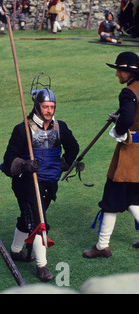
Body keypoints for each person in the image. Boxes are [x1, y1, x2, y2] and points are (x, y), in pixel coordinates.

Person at [0, 75, 80, 282]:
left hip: (49, 182)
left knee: (29, 218)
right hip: (26, 182)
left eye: (52, 106)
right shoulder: (22, 129)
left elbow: (73, 147)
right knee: (38, 222)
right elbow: (8, 159)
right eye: (45, 106)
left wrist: (64, 164)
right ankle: (41, 266)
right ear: (37, 106)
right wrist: (25, 165)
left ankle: (16, 250)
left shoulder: (60, 127)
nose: (49, 110)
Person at [83, 51, 139, 258]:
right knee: (134, 198)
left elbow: (126, 120)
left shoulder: (128, 92)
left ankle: (101, 246)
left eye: (119, 70)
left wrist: (117, 129)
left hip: (130, 154)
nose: (116, 74)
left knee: (111, 200)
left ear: (129, 72)